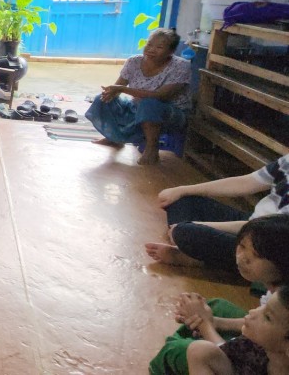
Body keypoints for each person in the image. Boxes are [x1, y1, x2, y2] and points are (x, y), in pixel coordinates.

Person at [149, 215, 289, 374]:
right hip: (265, 348)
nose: (242, 258)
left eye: (256, 255)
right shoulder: (279, 295)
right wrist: (214, 322)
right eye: (242, 246)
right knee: (218, 306)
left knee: (183, 351)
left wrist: (204, 324)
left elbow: (239, 360)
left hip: (257, 359)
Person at [145, 154, 289, 270]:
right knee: (181, 200)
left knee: (184, 232)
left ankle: (199, 258)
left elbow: (269, 230)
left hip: (267, 241)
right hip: (251, 221)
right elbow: (246, 182)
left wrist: (196, 225)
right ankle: (196, 252)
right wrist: (182, 190)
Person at [85, 28, 191, 165]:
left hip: (170, 113)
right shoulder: (133, 62)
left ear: (171, 52)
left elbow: (162, 96)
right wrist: (110, 92)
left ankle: (151, 149)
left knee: (149, 104)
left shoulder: (181, 65)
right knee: (103, 99)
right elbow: (116, 89)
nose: (151, 50)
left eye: (159, 47)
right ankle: (114, 137)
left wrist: (123, 89)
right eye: (149, 44)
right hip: (138, 107)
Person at [183, 285, 289, 375]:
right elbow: (225, 351)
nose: (253, 311)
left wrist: (203, 324)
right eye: (263, 306)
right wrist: (206, 323)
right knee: (199, 350)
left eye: (267, 317)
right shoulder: (255, 347)